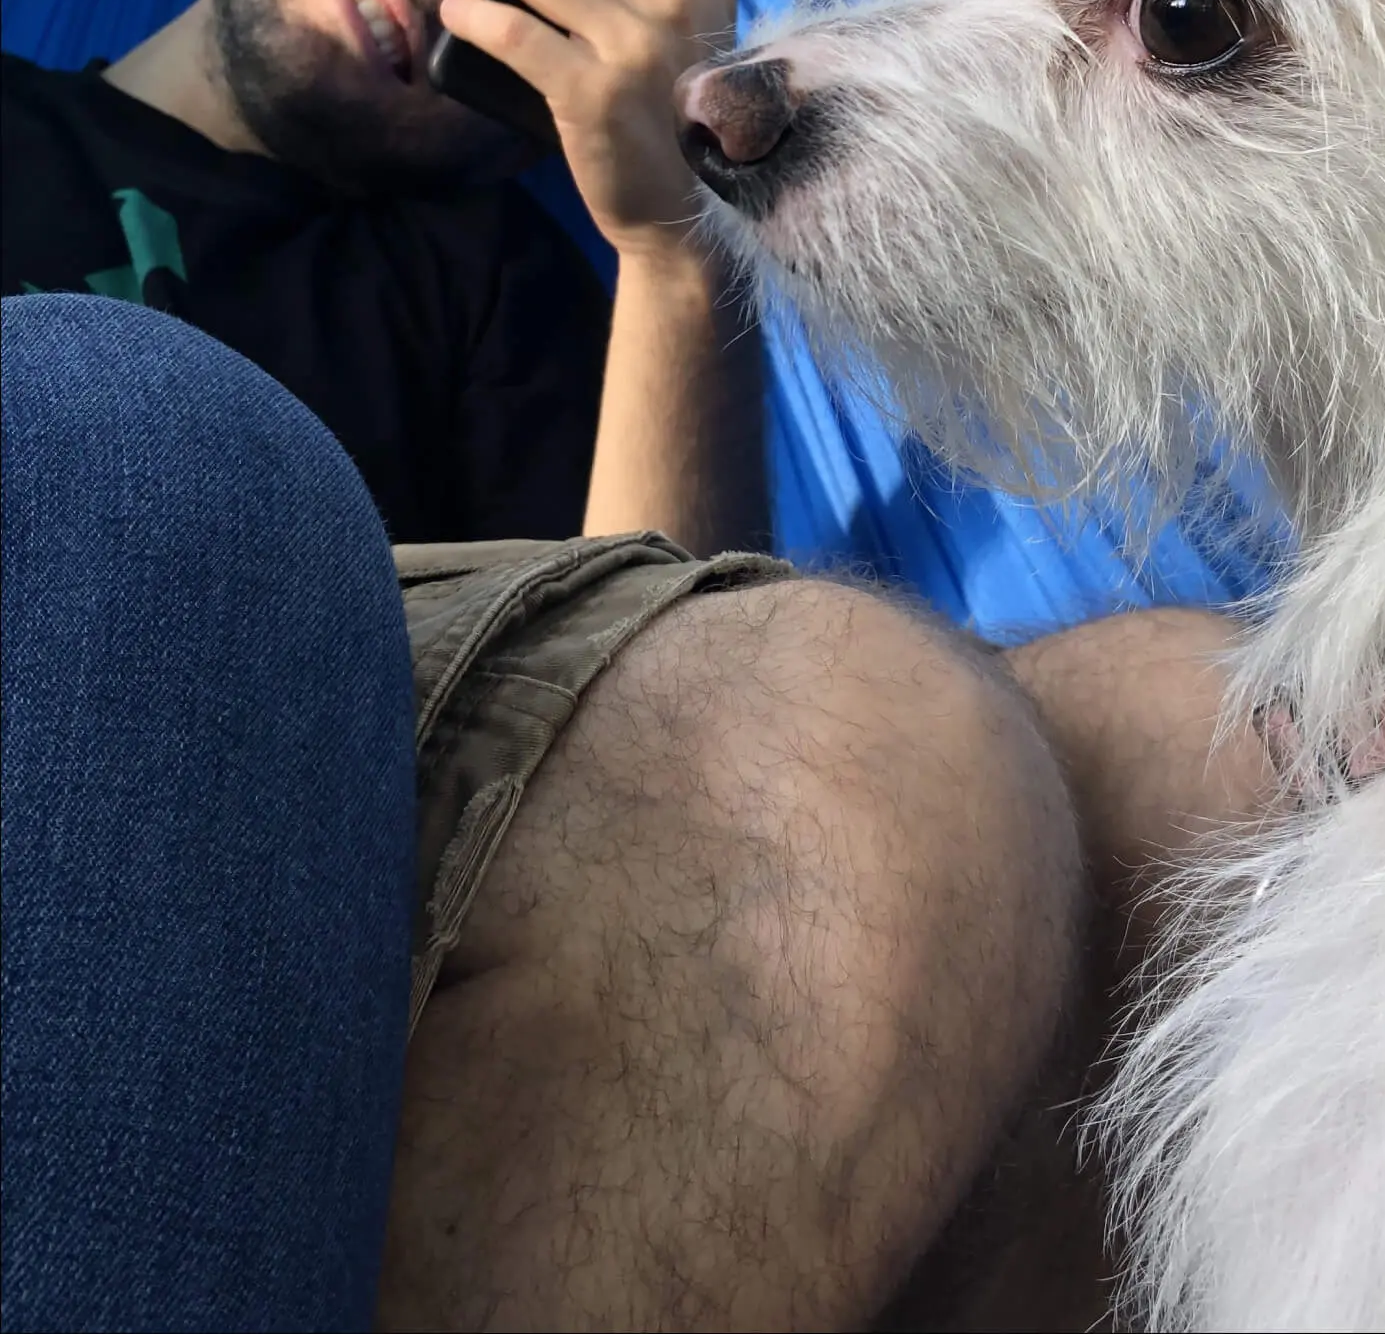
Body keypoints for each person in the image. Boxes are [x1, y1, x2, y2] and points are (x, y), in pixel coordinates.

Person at [2, 284, 1279, 1334]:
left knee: (1203, 742)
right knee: (141, 436)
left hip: (350, 709)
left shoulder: (487, 270)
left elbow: (666, 613)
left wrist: (664, 249)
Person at [1, 0, 764, 558]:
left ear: (536, 128)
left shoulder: (497, 296)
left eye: (524, 7)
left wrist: (674, 250)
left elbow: (650, 662)